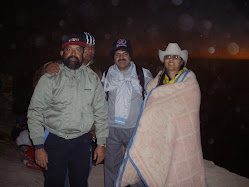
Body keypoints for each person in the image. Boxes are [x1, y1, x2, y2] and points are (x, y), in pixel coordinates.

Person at [115, 43, 206, 187]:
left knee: (176, 165)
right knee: (158, 165)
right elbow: (150, 107)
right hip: (158, 135)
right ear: (163, 60)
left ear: (181, 61)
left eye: (175, 57)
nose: (171, 60)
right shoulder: (156, 83)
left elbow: (189, 111)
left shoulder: (189, 82)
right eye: (168, 57)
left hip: (179, 135)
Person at [27, 33, 108, 187]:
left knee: (80, 182)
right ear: (62, 53)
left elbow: (101, 112)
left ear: (83, 54)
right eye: (69, 49)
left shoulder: (93, 79)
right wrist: (38, 146)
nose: (73, 54)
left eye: (77, 50)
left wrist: (101, 144)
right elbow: (35, 112)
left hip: (82, 142)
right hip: (55, 140)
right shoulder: (49, 78)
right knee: (54, 182)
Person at [101, 39, 153, 187]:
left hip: (134, 129)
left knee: (136, 166)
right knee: (111, 166)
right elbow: (100, 101)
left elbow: (154, 98)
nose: (121, 57)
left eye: (125, 53)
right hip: (112, 129)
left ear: (131, 56)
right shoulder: (107, 74)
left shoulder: (143, 74)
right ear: (113, 57)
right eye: (117, 54)